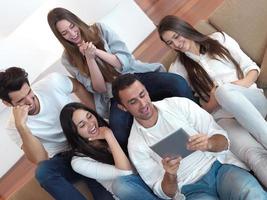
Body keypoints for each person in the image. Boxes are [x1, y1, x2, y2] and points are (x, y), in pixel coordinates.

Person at [47, 7, 195, 153]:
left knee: (177, 83)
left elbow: (125, 62)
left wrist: (96, 52)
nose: (73, 34)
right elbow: (99, 88)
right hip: (113, 94)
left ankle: (196, 124)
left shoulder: (99, 29)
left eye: (72, 27)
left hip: (133, 76)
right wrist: (90, 59)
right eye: (65, 33)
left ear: (76, 21)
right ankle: (160, 154)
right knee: (119, 133)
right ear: (60, 37)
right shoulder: (67, 59)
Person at [111, 73, 267, 200]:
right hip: (190, 190)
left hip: (219, 168)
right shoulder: (136, 145)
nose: (143, 104)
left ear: (146, 90)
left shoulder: (179, 105)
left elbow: (224, 141)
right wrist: (170, 174)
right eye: (133, 102)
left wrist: (210, 143)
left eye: (142, 95)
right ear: (123, 108)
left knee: (252, 193)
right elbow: (165, 193)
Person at [157, 15, 267, 187]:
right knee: (253, 155)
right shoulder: (177, 70)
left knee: (224, 92)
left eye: (176, 36)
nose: (176, 44)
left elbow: (251, 68)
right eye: (170, 43)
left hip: (251, 101)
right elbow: (197, 109)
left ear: (184, 28)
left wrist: (232, 89)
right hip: (224, 118)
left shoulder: (219, 39)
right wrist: (216, 98)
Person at [0, 67, 114, 200]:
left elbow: (78, 87)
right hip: (65, 157)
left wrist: (97, 118)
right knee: (43, 172)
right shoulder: (14, 126)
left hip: (85, 139)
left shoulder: (51, 83)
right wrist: (22, 126)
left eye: (29, 93)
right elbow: (40, 159)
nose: (30, 101)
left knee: (104, 194)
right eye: (21, 101)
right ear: (8, 104)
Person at [60, 102, 164, 200]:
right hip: (133, 190)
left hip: (149, 173)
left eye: (90, 116)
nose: (91, 124)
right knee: (121, 185)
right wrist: (109, 136)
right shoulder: (78, 162)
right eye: (82, 125)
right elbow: (126, 174)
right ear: (74, 132)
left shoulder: (110, 124)